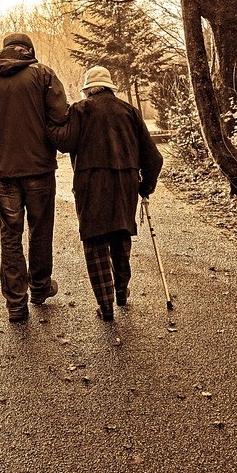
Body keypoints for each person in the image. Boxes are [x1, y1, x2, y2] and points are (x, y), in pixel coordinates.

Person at [0, 33, 69, 323]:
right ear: (29, 50)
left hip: (2, 174)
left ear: (4, 50)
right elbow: (60, 117)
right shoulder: (43, 75)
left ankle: (15, 304)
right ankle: (39, 287)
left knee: (10, 236)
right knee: (40, 230)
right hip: (39, 170)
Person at [48, 66, 163, 321]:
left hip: (91, 182)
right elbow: (154, 158)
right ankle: (121, 291)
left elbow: (64, 142)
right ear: (111, 87)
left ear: (88, 89)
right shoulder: (129, 111)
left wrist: (47, 119)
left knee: (95, 240)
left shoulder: (80, 109)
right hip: (125, 182)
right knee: (121, 234)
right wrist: (145, 186)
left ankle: (106, 305)